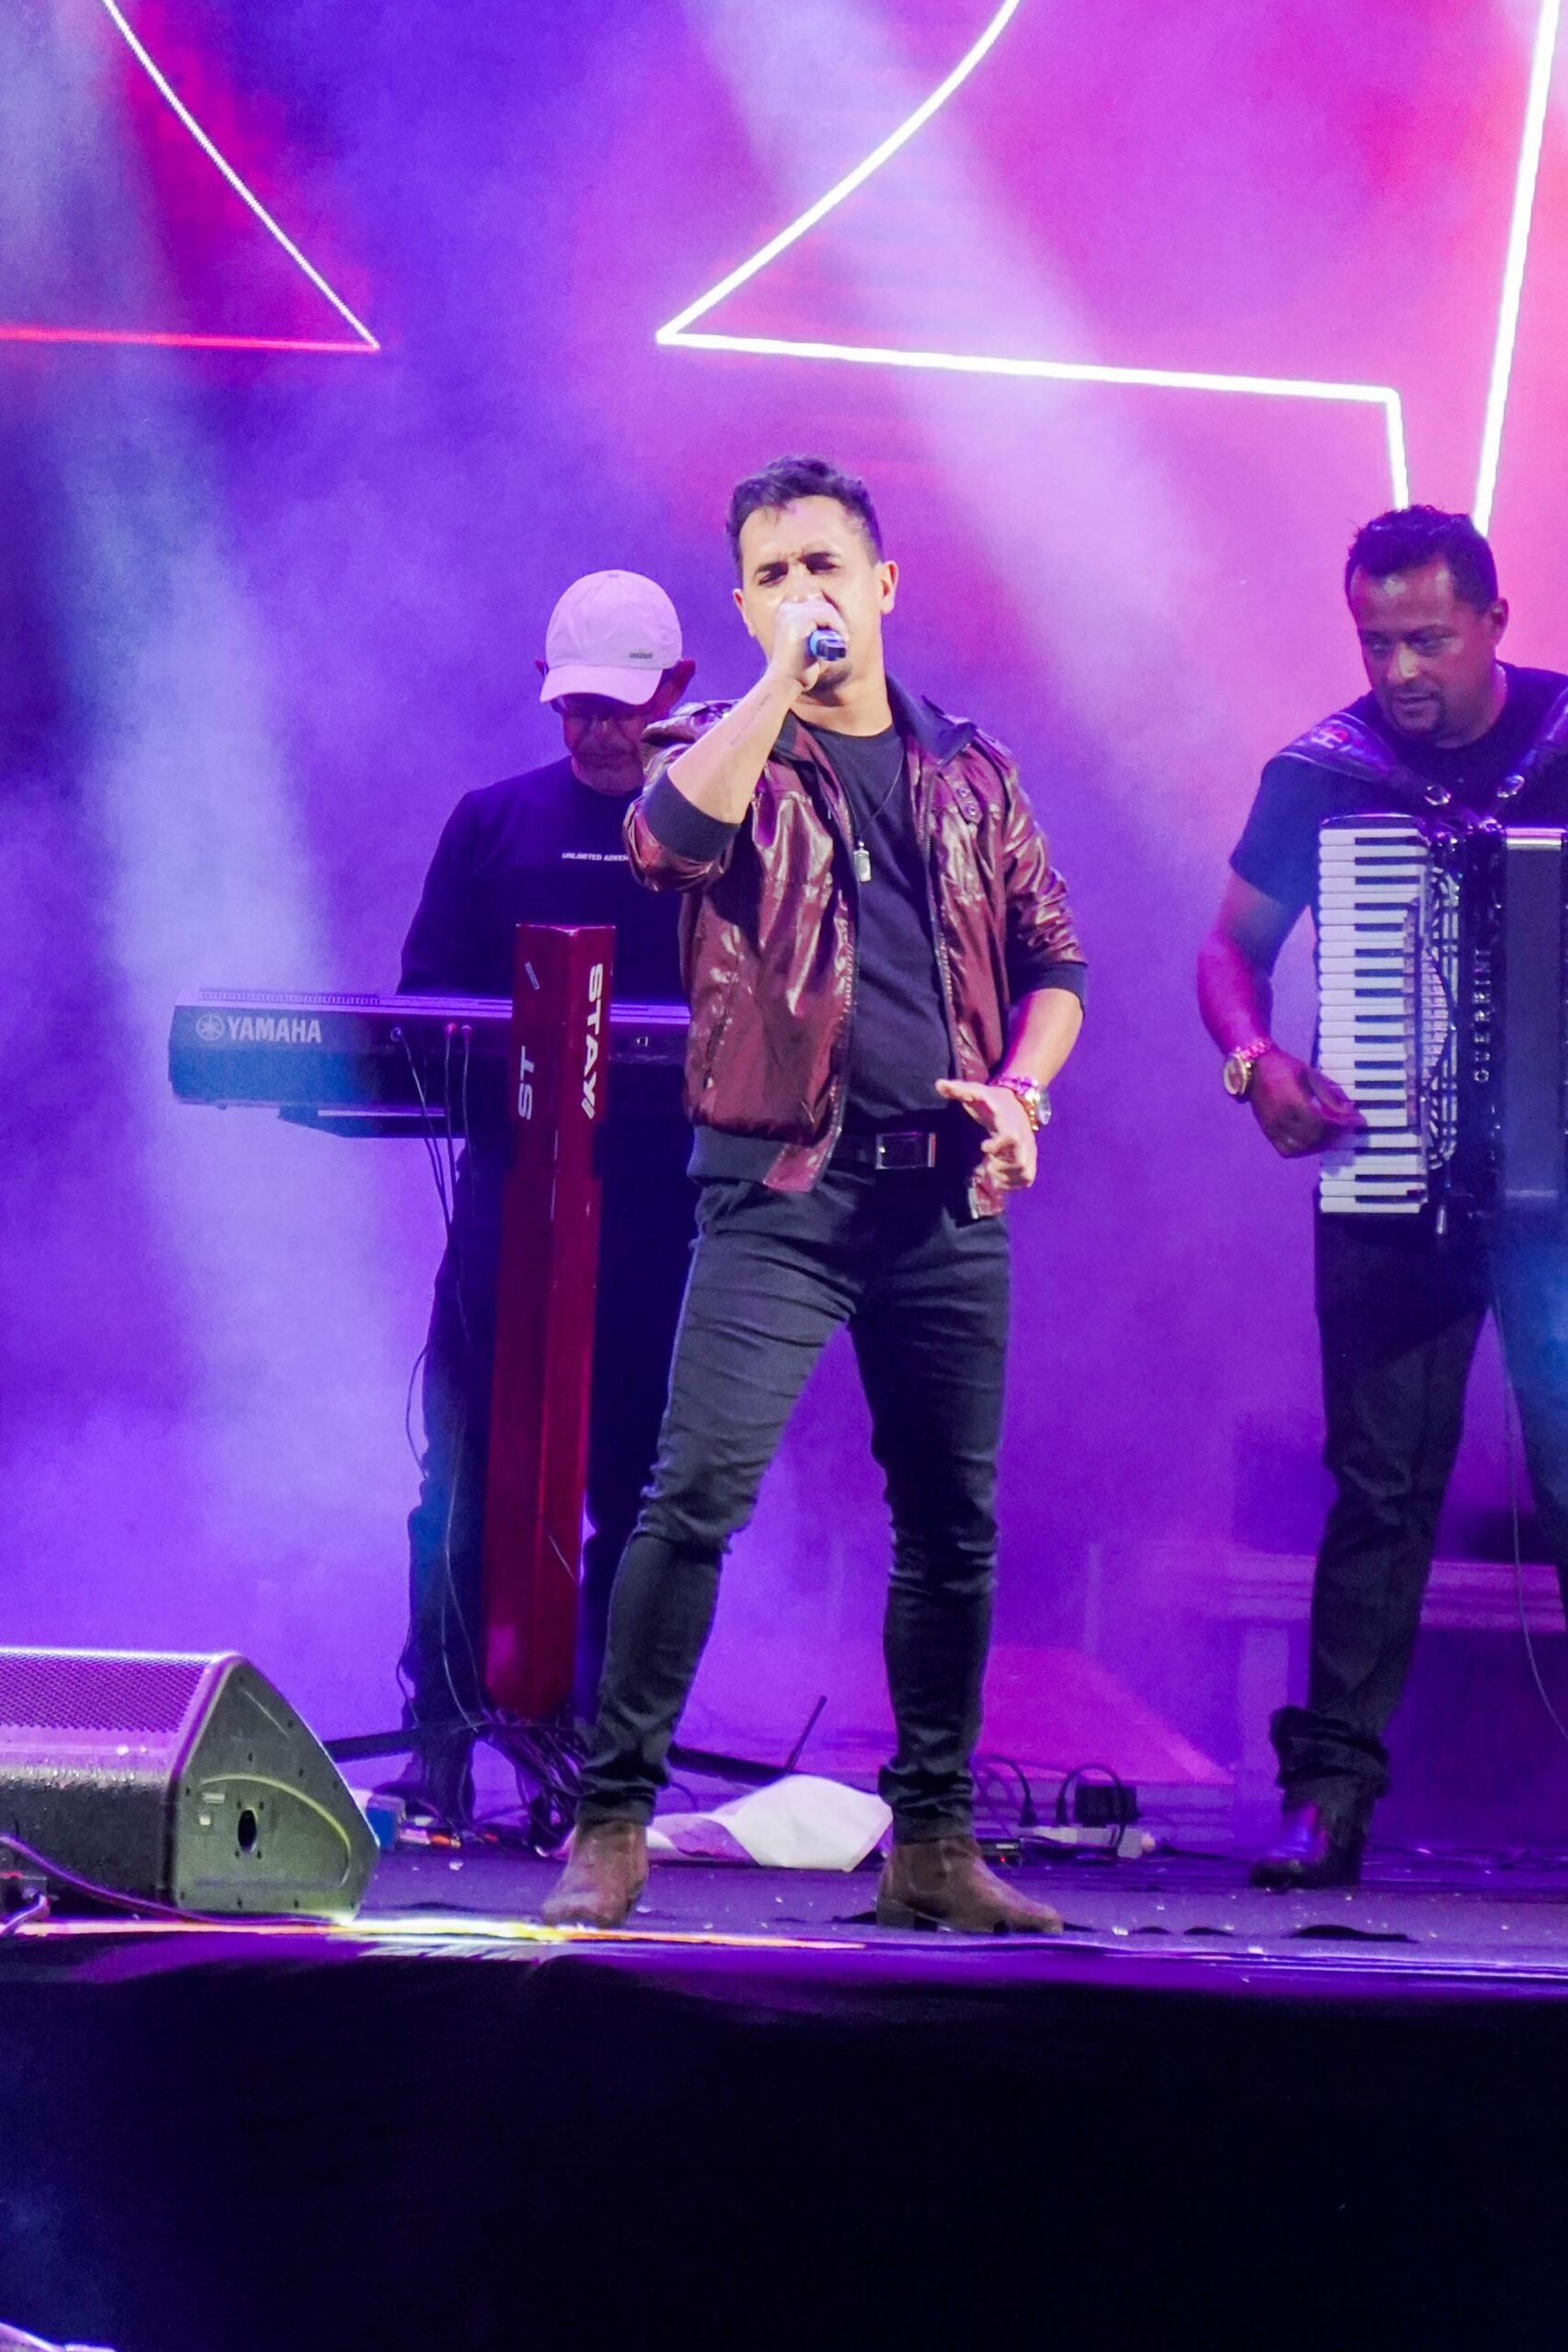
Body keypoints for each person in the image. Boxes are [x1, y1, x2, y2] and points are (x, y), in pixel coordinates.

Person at [542, 454, 1087, 1933]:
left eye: (825, 566)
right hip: (780, 1187)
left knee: (951, 1524)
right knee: (693, 1497)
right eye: (773, 576)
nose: (805, 593)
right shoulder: (725, 751)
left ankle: (933, 1843)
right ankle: (612, 1824)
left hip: (943, 1197)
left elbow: (1056, 962)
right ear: (744, 605)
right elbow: (667, 845)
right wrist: (778, 687)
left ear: (883, 582)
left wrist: (1021, 1091)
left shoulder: (972, 770)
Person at [1199, 504, 1568, 1889]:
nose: (1399, 671)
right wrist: (1259, 1064)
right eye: (1375, 642)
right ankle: (1328, 1799)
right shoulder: (1324, 774)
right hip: (1391, 1184)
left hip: (1558, 1202)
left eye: (1427, 639)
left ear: (1494, 622)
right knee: (1378, 1493)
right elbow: (1229, 953)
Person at [392, 571, 696, 1824]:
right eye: (576, 707)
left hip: (652, 1208)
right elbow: (423, 1006)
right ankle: (443, 1731)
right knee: (462, 1470)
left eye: (620, 707)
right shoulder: (493, 823)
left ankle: (598, 1754)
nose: (597, 730)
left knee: (628, 1479)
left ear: (675, 693)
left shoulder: (718, 838)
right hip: (509, 1198)